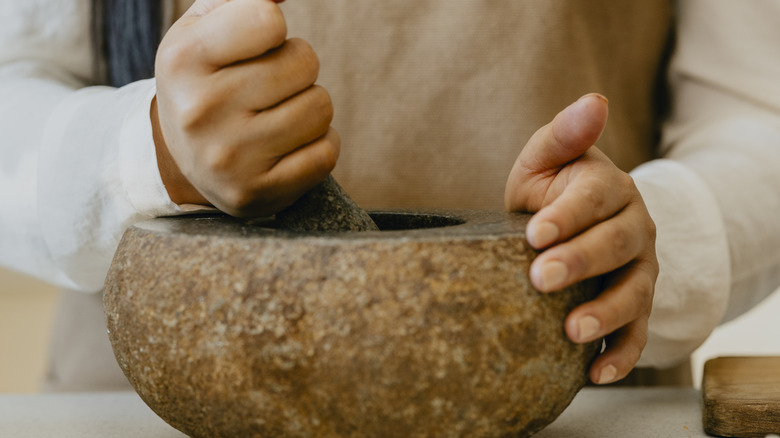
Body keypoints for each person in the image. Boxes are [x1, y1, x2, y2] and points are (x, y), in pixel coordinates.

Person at [1, 0, 778, 391]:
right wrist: (148, 154)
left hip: (573, 402)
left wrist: (652, 231)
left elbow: (759, 115)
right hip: (139, 409)